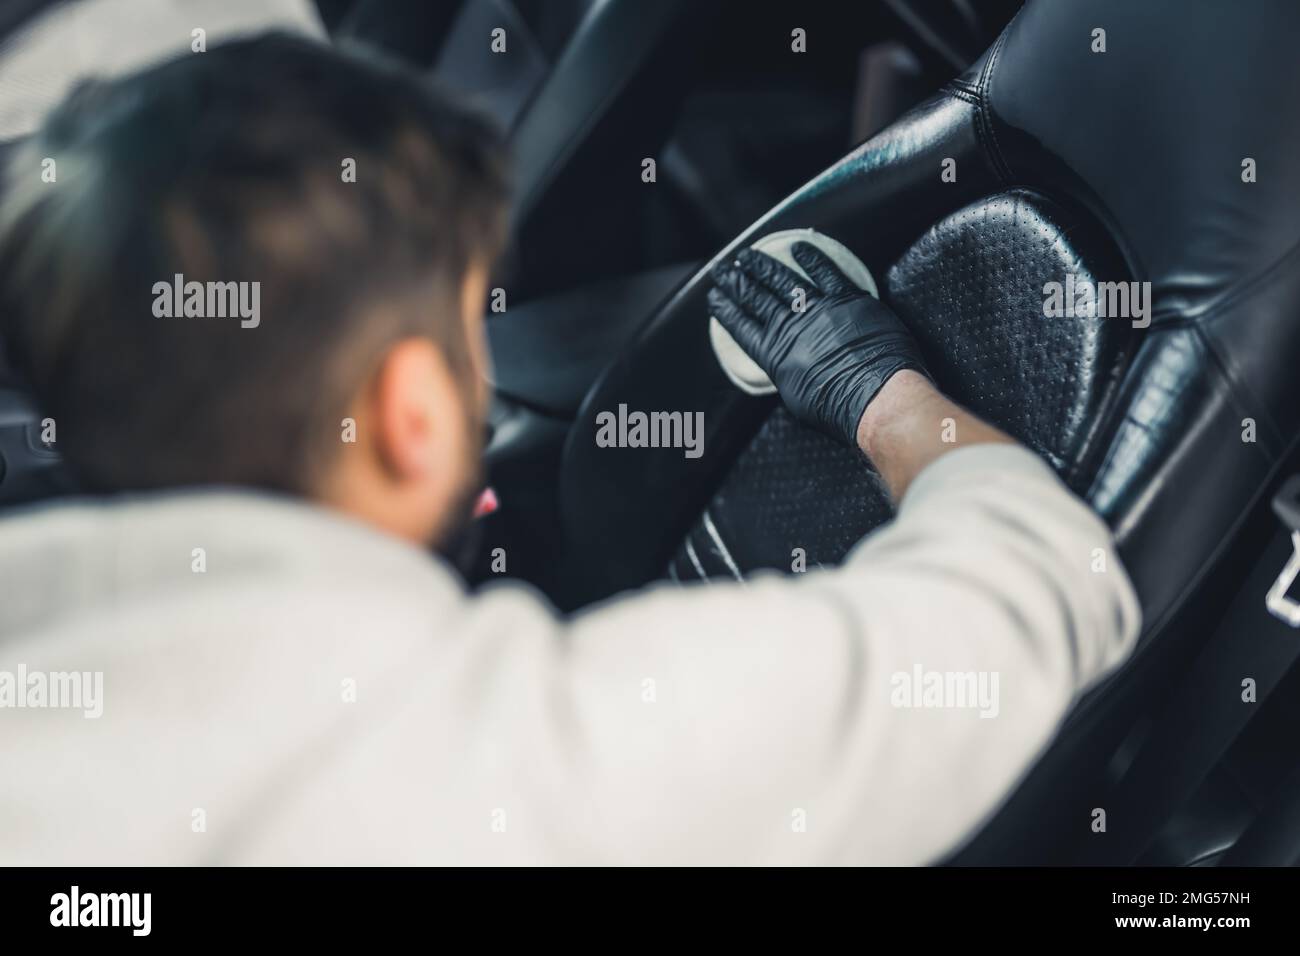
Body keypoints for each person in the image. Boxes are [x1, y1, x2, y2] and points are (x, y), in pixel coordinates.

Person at [0, 34, 1138, 865]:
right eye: (464, 327)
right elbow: (1042, 589)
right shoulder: (530, 770)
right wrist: (879, 397)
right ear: (410, 414)